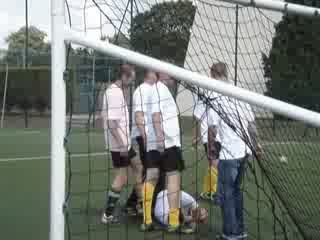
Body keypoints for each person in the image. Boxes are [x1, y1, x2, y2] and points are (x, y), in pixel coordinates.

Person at [207, 62, 262, 239]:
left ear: (212, 74)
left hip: (229, 155)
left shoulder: (215, 94)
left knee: (227, 195)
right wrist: (257, 145)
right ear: (227, 73)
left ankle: (231, 233)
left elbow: (212, 128)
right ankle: (239, 229)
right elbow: (252, 125)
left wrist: (211, 151)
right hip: (244, 153)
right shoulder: (240, 92)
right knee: (237, 192)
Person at [141, 72, 185, 232]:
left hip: (155, 142)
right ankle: (173, 222)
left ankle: (146, 220)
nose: (174, 76)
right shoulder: (161, 89)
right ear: (163, 74)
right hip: (167, 142)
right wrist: (160, 136)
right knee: (173, 178)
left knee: (152, 176)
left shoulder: (156, 89)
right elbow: (156, 114)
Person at [101, 64, 143, 224]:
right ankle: (108, 214)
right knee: (122, 177)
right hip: (120, 146)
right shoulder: (114, 93)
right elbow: (111, 124)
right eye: (131, 79)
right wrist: (122, 146)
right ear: (124, 76)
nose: (132, 83)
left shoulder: (116, 92)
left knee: (138, 166)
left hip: (124, 143)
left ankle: (140, 205)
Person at [126, 70, 158, 216]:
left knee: (148, 171)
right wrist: (144, 136)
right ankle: (136, 204)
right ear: (149, 74)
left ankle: (136, 203)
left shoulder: (153, 90)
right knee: (146, 171)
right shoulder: (141, 90)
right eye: (155, 73)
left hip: (149, 136)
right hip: (142, 136)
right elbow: (139, 115)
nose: (157, 76)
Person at [193, 80, 219, 201]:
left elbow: (197, 117)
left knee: (214, 163)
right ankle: (211, 192)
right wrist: (196, 136)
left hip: (217, 134)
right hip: (209, 135)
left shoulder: (220, 93)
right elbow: (197, 117)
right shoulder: (206, 96)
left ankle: (208, 191)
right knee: (214, 163)